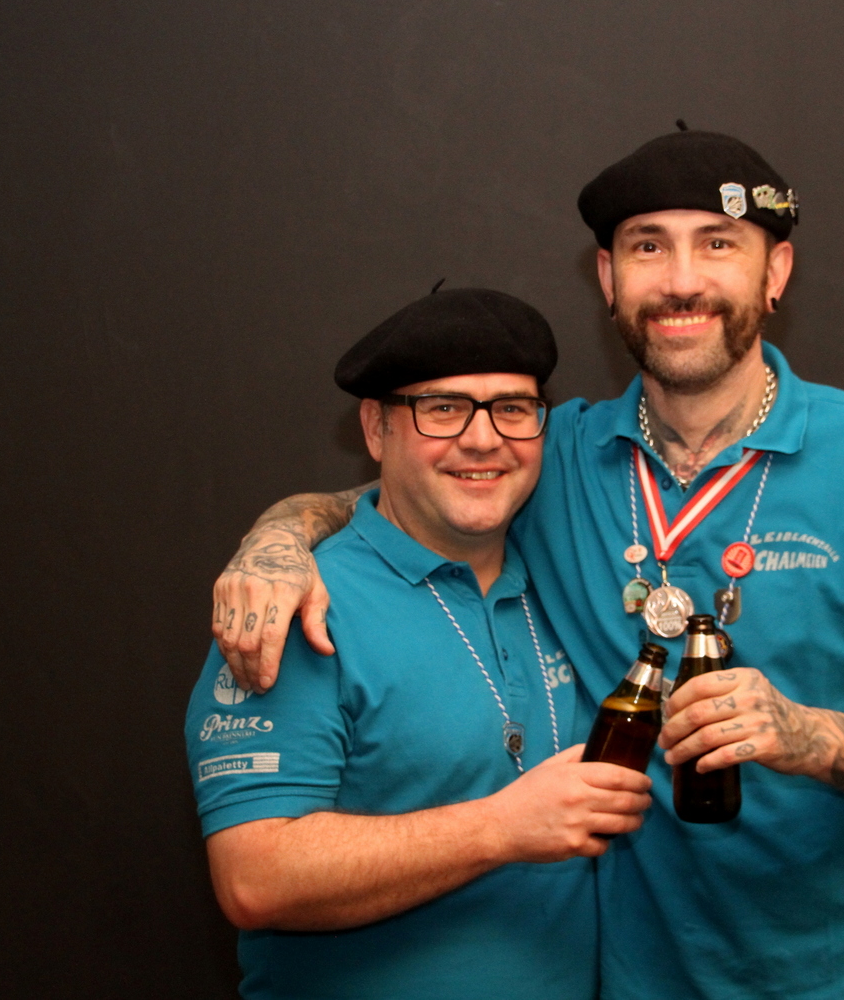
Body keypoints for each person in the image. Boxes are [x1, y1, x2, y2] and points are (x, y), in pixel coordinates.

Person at [211, 129, 844, 999]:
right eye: (647, 247)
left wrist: (803, 732)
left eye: (718, 244)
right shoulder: (552, 453)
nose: (682, 280)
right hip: (643, 977)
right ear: (608, 277)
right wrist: (276, 542)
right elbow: (404, 492)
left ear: (775, 272)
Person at [185, 287, 652, 999]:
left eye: (512, 408)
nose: (483, 438)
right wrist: (501, 825)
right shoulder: (302, 607)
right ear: (376, 429)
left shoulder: (564, 574)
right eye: (442, 408)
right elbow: (255, 877)